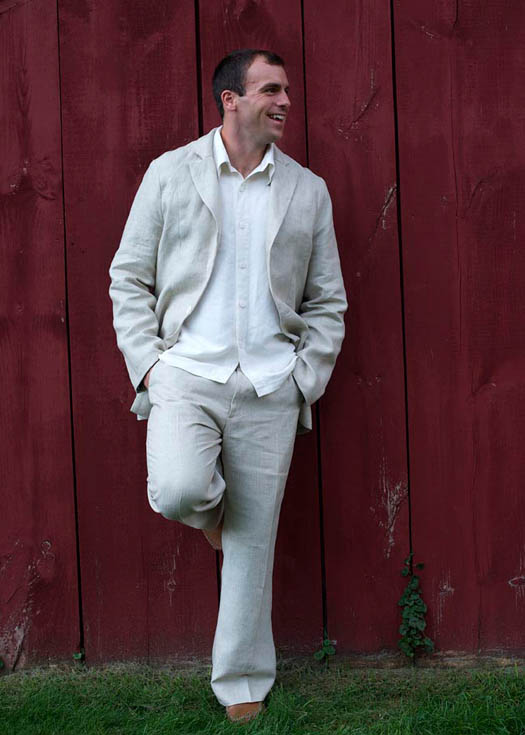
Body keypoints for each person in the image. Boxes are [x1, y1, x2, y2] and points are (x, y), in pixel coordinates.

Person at [108, 48, 347, 724]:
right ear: (229, 100)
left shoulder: (306, 190)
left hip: (272, 381)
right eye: (270, 90)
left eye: (287, 91)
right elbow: (128, 276)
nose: (285, 102)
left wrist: (304, 379)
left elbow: (328, 301)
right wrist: (149, 365)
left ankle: (242, 679)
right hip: (186, 370)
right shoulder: (170, 174)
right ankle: (211, 516)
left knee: (253, 541)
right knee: (181, 486)